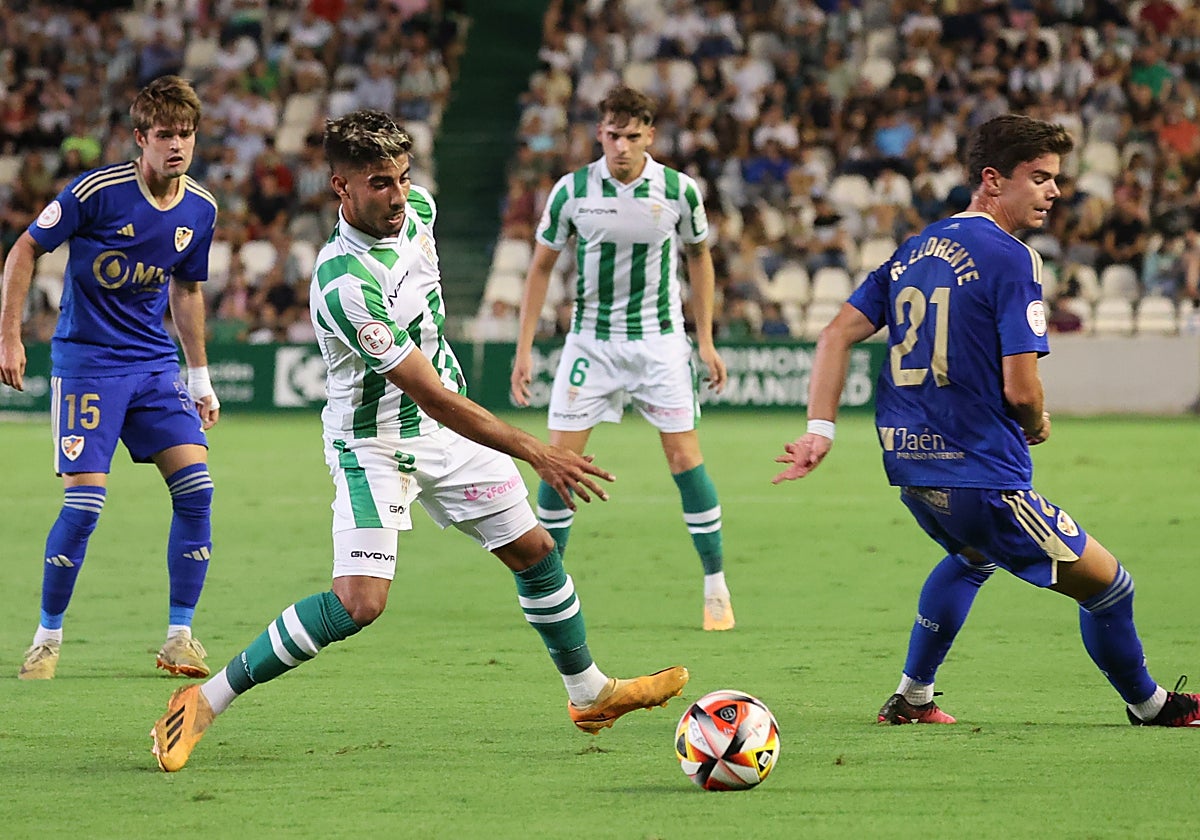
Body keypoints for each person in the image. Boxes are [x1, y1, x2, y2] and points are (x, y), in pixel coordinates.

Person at [149, 110, 688, 772]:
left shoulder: (420, 210)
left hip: (447, 432)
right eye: (380, 183)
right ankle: (204, 700)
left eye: (403, 177)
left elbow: (436, 390)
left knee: (535, 551)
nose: (399, 196)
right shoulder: (345, 283)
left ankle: (590, 693)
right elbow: (429, 394)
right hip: (374, 443)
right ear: (341, 186)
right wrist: (537, 450)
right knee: (360, 603)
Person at [773, 114, 1200, 727]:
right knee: (1109, 588)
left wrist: (820, 430)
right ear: (993, 180)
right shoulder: (1013, 258)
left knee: (972, 558)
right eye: (1040, 177)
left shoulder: (915, 249)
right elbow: (1020, 388)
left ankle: (912, 698)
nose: (1054, 191)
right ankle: (1151, 705)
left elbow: (834, 334)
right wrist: (1037, 419)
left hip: (913, 466)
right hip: (983, 476)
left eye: (1056, 179)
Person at [0, 75, 220, 681]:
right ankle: (46, 639)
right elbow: (24, 250)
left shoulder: (200, 209)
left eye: (186, 134)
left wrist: (200, 377)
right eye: (165, 135)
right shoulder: (96, 192)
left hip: (153, 365)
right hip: (88, 366)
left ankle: (180, 638)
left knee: (197, 490)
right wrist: (10, 336)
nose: (177, 145)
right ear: (140, 138)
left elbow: (187, 289)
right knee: (85, 504)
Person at [509, 86, 735, 632]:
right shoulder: (571, 191)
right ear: (599, 134)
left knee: (685, 459)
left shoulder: (679, 190)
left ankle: (715, 584)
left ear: (650, 136)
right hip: (590, 344)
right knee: (558, 463)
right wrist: (524, 349)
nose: (622, 146)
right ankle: (548, 585)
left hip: (660, 343)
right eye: (613, 135)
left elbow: (700, 259)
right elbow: (540, 268)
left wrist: (705, 339)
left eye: (633, 136)